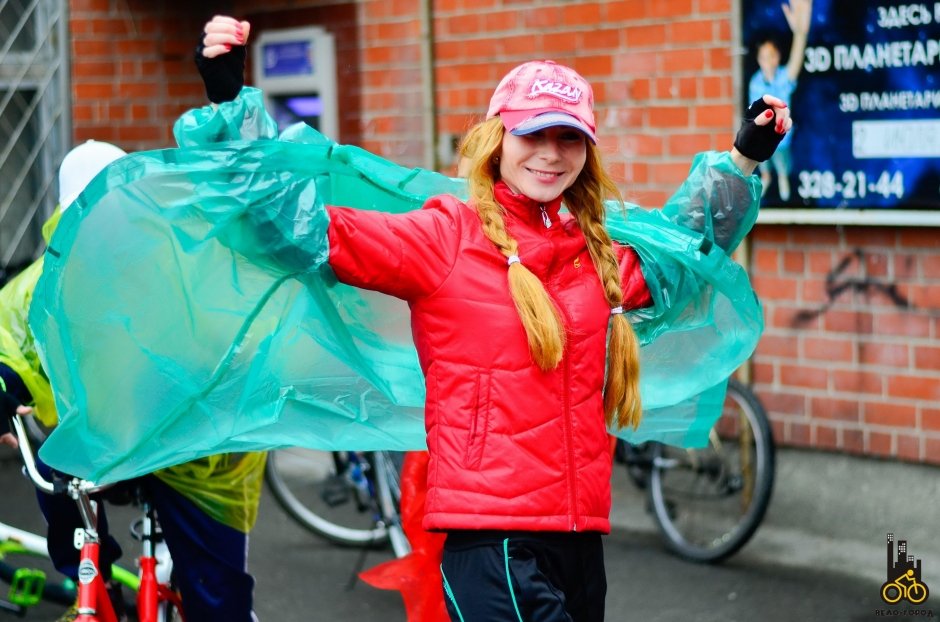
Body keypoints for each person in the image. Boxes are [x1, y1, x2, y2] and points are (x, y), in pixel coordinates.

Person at [197, 15, 791, 621]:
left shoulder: (596, 255)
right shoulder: (444, 237)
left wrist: (742, 160)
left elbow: (683, 257)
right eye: (533, 134)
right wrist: (229, 101)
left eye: (569, 139)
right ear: (495, 138)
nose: (551, 154)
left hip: (581, 540)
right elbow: (298, 230)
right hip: (490, 542)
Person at [0, 139, 266, 622]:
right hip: (104, 446)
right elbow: (10, 346)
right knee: (56, 473)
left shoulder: (181, 278)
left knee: (216, 596)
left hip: (190, 454)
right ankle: (95, 589)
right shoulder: (42, 287)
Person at [748, 0, 812, 201]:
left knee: (782, 158)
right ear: (759, 59)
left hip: (781, 135)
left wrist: (800, 34)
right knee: (763, 160)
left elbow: (795, 61)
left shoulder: (784, 77)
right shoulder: (755, 82)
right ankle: (766, 177)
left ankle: (783, 177)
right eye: (764, 57)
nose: (768, 61)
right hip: (763, 134)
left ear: (778, 57)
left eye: (772, 56)